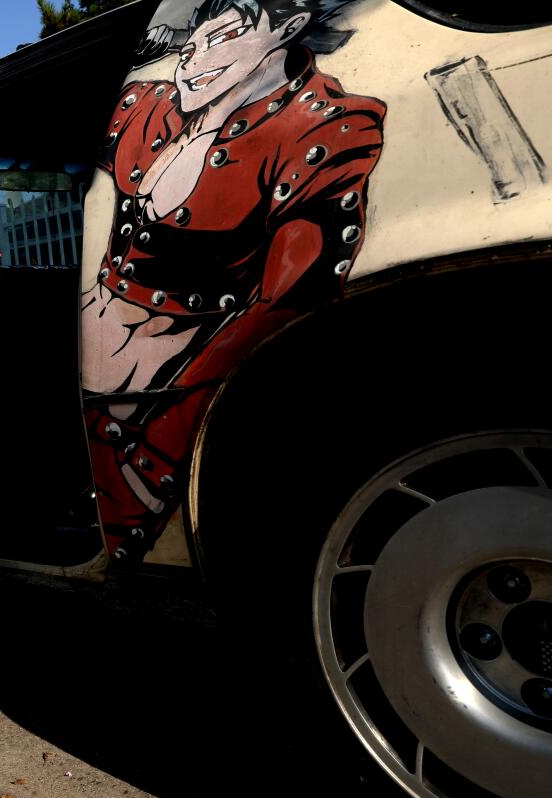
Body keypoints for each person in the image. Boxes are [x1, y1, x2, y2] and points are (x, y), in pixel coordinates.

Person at [79, 0, 385, 546]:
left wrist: (163, 444)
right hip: (96, 384)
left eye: (226, 36)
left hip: (170, 389)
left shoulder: (328, 127)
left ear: (288, 28)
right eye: (192, 42)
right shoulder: (141, 105)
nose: (190, 59)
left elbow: (289, 301)